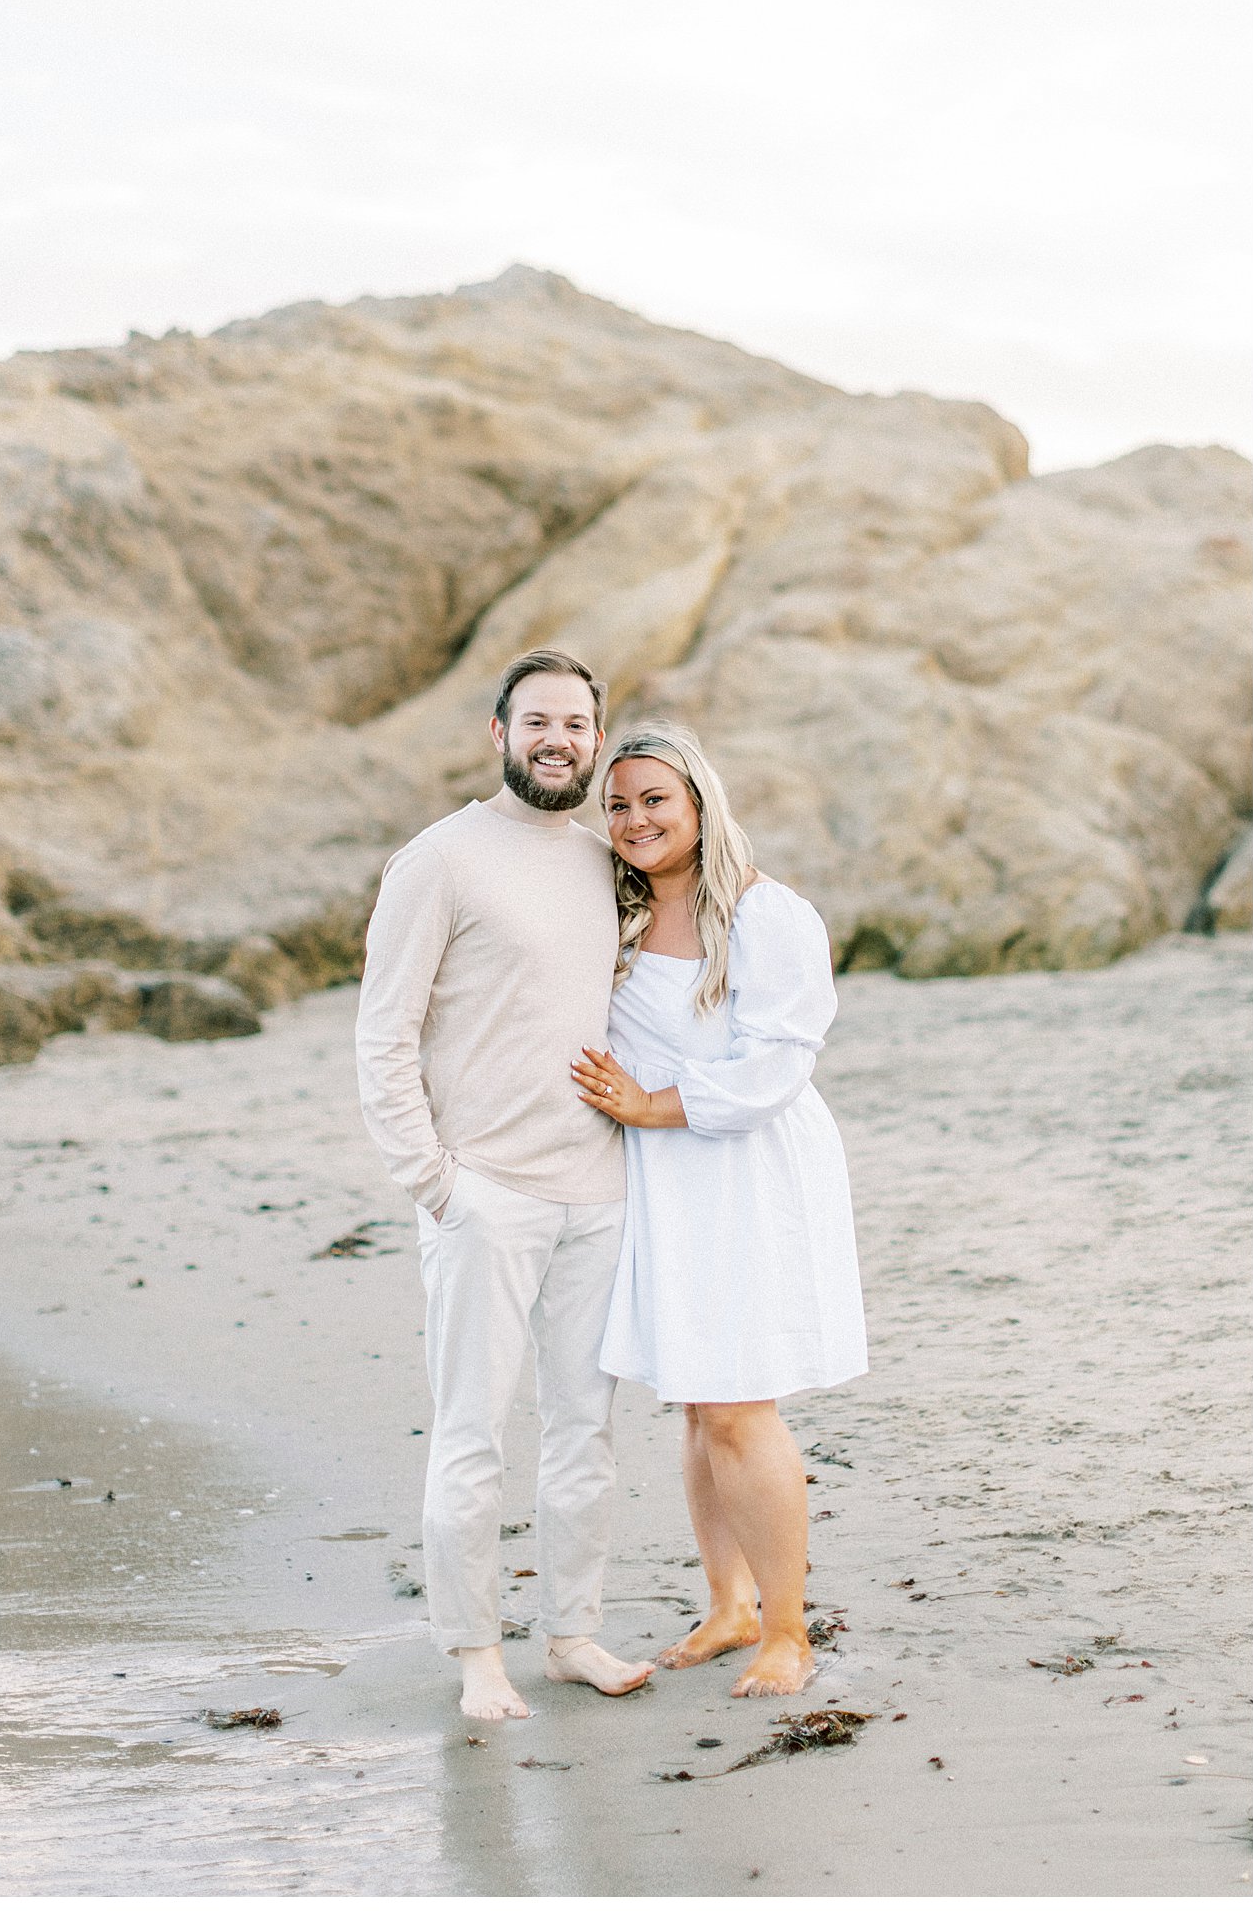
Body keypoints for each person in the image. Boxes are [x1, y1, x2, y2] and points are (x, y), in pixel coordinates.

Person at [354, 649, 655, 1721]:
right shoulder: (437, 860)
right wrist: (433, 1183)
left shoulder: (599, 859)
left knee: (585, 1427)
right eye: (537, 720)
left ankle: (570, 1630)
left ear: (593, 736)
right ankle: (476, 1651)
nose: (557, 737)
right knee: (472, 1429)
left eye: (575, 722)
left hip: (598, 1193)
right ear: (498, 733)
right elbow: (382, 1031)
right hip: (483, 1194)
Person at [571, 724, 867, 1698]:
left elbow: (778, 1061)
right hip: (666, 1178)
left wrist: (653, 1104)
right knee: (698, 1400)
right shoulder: (609, 915)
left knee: (741, 1402)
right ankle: (728, 1604)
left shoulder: (762, 913)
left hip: (744, 1167)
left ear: (699, 801)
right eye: (616, 803)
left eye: (654, 798)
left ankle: (787, 1628)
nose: (634, 819)